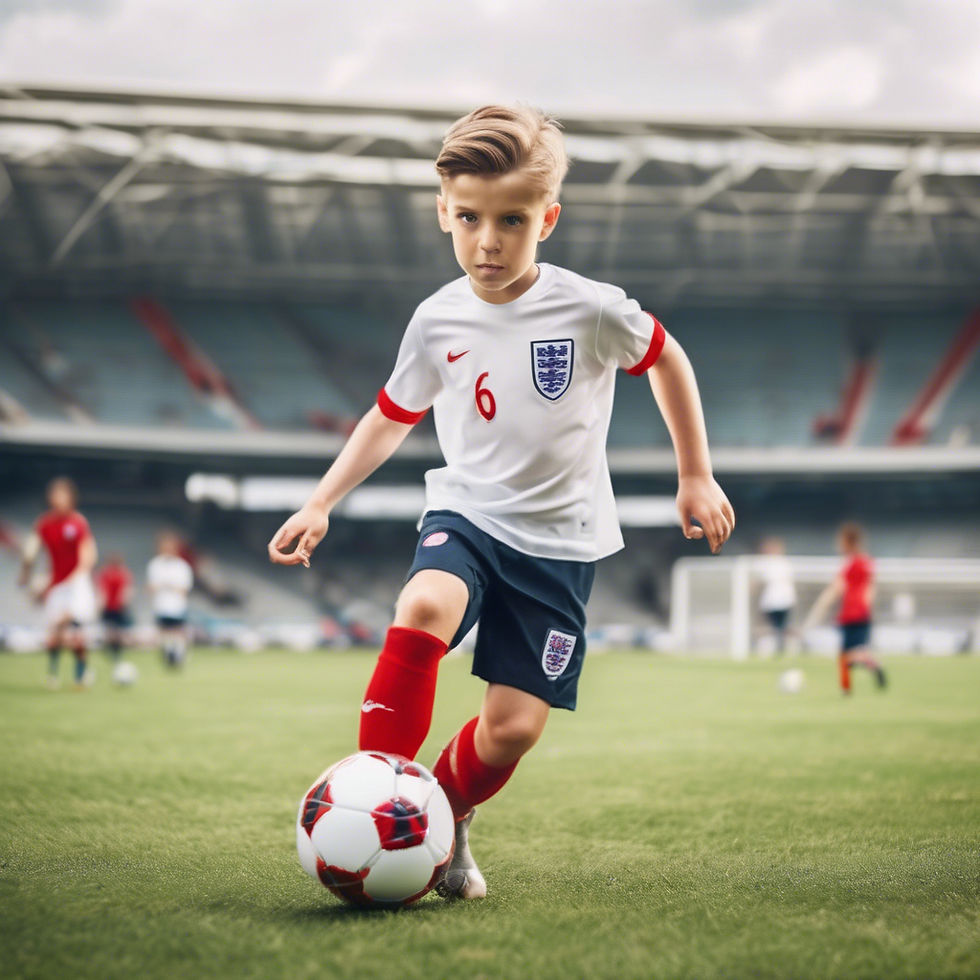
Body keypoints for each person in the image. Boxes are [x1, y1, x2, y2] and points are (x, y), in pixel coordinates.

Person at [268, 105, 734, 900]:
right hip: (469, 515)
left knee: (511, 730)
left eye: (512, 220)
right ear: (443, 213)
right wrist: (321, 503)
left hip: (560, 544)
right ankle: (377, 794)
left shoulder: (590, 308)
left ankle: (445, 817)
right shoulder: (436, 319)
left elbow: (667, 358)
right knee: (425, 602)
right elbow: (391, 415)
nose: (488, 240)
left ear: (546, 220)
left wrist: (696, 474)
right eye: (470, 218)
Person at [18, 477, 98, 690]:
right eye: (54, 494)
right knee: (55, 635)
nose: (57, 498)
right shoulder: (44, 523)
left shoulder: (78, 522)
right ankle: (53, 675)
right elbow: (30, 553)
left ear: (71, 498)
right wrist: (26, 575)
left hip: (76, 584)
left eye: (61, 494)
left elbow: (88, 555)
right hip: (56, 585)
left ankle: (81, 675)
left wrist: (74, 578)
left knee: (74, 632)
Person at [802, 522, 886, 694]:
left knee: (848, 655)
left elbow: (837, 588)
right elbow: (871, 588)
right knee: (847, 653)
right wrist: (867, 607)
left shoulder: (849, 563)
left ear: (848, 541)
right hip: (862, 612)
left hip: (851, 613)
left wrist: (820, 608)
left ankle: (869, 667)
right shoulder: (867, 561)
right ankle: (846, 687)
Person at [147, 531, 193, 668]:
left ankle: (178, 657)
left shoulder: (182, 566)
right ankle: (167, 658)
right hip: (161, 606)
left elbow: (184, 589)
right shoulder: (155, 565)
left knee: (178, 633)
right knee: (164, 634)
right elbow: (151, 587)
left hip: (177, 606)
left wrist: (169, 585)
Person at [756, 537, 796, 654]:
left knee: (782, 626)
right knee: (774, 627)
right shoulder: (766, 563)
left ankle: (781, 647)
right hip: (771, 602)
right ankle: (776, 647)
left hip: (784, 601)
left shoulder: (784, 563)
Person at [97, 553, 133, 665]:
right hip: (113, 607)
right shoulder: (115, 574)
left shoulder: (118, 574)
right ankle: (114, 653)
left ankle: (115, 653)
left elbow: (125, 591)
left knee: (114, 632)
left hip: (115, 607)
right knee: (113, 632)